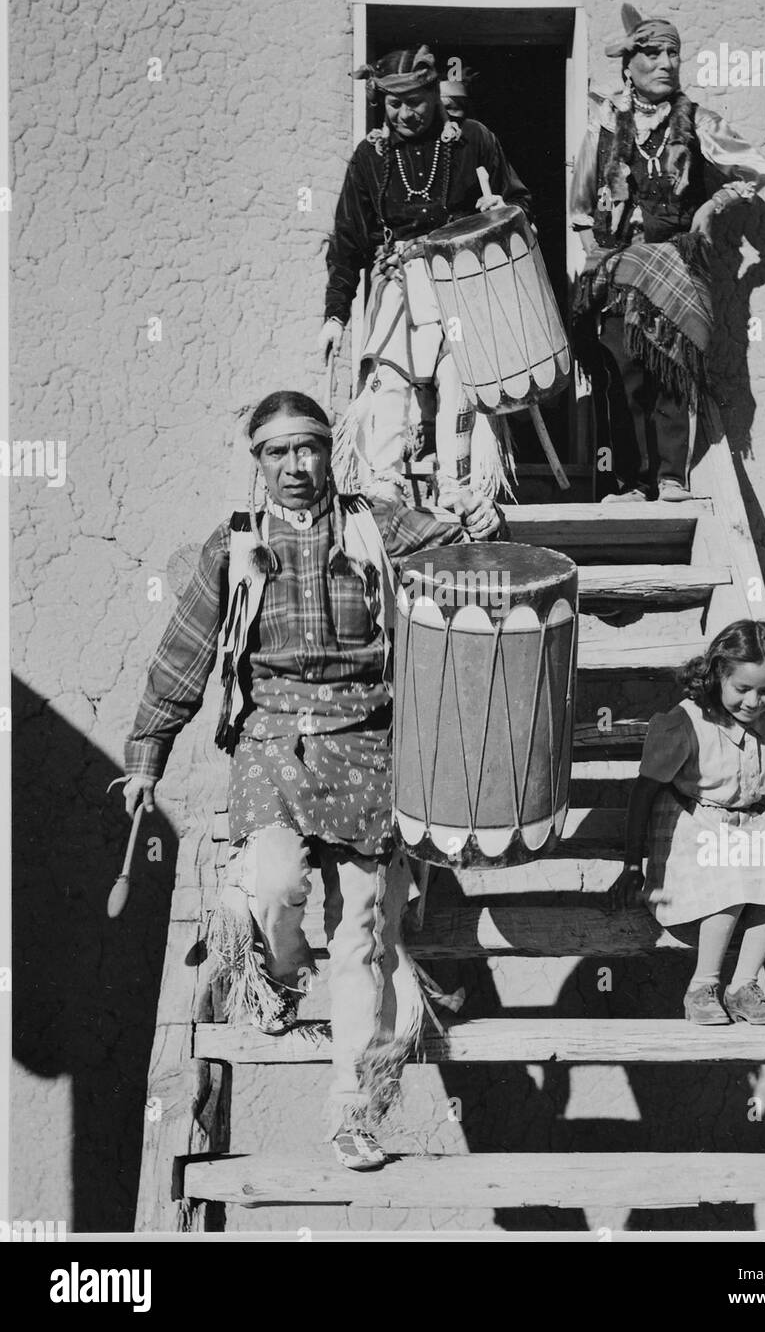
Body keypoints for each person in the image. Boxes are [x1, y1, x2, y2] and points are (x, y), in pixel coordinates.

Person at [121, 391, 503, 1170]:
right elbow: (184, 654)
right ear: (256, 462)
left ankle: (352, 1115)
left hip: (368, 744)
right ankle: (281, 974)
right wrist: (145, 758)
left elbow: (467, 561)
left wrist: (481, 529)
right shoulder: (232, 547)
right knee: (268, 883)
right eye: (276, 452)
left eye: (308, 448)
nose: (295, 466)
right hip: (271, 741)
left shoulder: (380, 526)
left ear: (331, 451)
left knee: (362, 938)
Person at [570, 4, 765, 502]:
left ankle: (671, 477)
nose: (666, 63)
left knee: (673, 375)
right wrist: (598, 266)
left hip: (677, 268)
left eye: (673, 53)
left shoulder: (698, 121)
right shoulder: (605, 124)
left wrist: (716, 204)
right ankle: (631, 483)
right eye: (654, 53)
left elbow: (756, 169)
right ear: (628, 64)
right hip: (621, 272)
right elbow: (581, 207)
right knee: (624, 377)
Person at [319, 45, 533, 512]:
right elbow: (348, 240)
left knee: (458, 374)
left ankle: (457, 484)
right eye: (394, 104)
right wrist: (336, 315)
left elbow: (520, 205)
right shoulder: (369, 157)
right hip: (398, 283)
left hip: (464, 282)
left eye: (415, 101)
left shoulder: (472, 140)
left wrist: (500, 210)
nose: (405, 113)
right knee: (388, 374)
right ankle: (383, 482)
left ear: (435, 94)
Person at [612, 620, 765, 1026]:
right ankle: (702, 986)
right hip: (692, 818)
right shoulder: (685, 723)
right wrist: (632, 865)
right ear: (718, 673)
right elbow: (644, 793)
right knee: (731, 865)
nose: (755, 701)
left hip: (746, 820)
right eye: (742, 689)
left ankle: (744, 987)